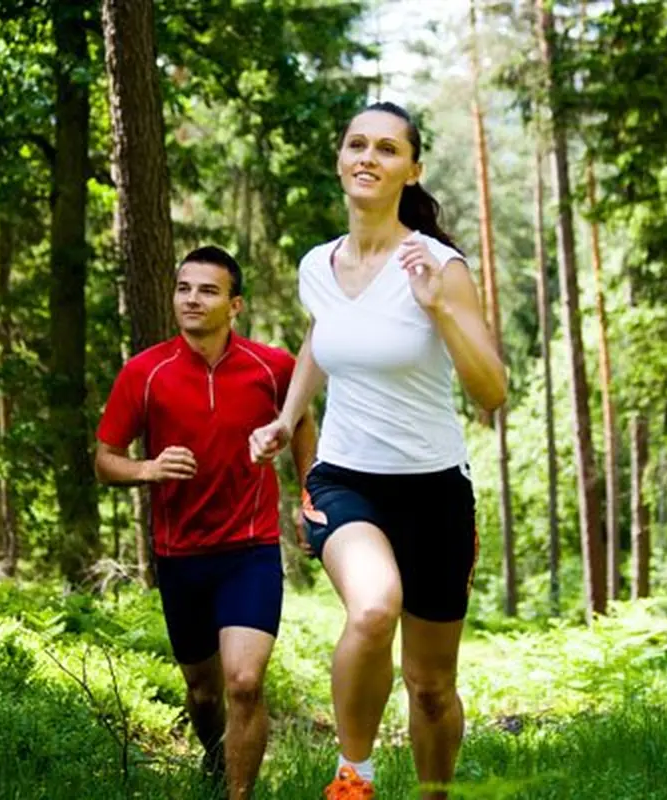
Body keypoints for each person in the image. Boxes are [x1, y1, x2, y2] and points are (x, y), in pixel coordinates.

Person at [249, 102, 507, 800]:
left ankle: (434, 794)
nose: (368, 157)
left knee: (431, 686)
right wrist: (288, 418)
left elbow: (491, 391)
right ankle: (353, 779)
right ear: (340, 159)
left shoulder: (441, 267)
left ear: (412, 170)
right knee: (372, 607)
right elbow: (323, 335)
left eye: (387, 148)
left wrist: (438, 307)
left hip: (435, 489)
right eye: (357, 144)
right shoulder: (318, 265)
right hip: (345, 479)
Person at [94, 245, 316, 800]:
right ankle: (217, 763)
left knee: (244, 682)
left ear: (235, 305)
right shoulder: (144, 372)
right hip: (181, 555)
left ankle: (238, 795)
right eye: (184, 288)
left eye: (208, 290)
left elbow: (301, 421)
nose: (192, 299)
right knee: (204, 692)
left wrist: (309, 492)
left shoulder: (273, 367)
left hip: (250, 549)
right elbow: (104, 460)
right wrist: (147, 468)